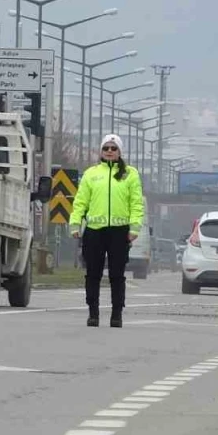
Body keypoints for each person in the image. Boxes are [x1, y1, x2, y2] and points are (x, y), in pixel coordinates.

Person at [69, 134, 146, 328]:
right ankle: (93, 313)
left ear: (120, 152)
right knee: (93, 274)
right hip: (94, 231)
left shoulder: (130, 174)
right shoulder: (91, 174)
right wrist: (75, 223)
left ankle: (116, 315)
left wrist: (135, 227)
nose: (110, 151)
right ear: (101, 151)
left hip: (119, 232)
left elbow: (136, 203)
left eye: (113, 148)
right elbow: (80, 201)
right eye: (106, 148)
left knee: (117, 275)